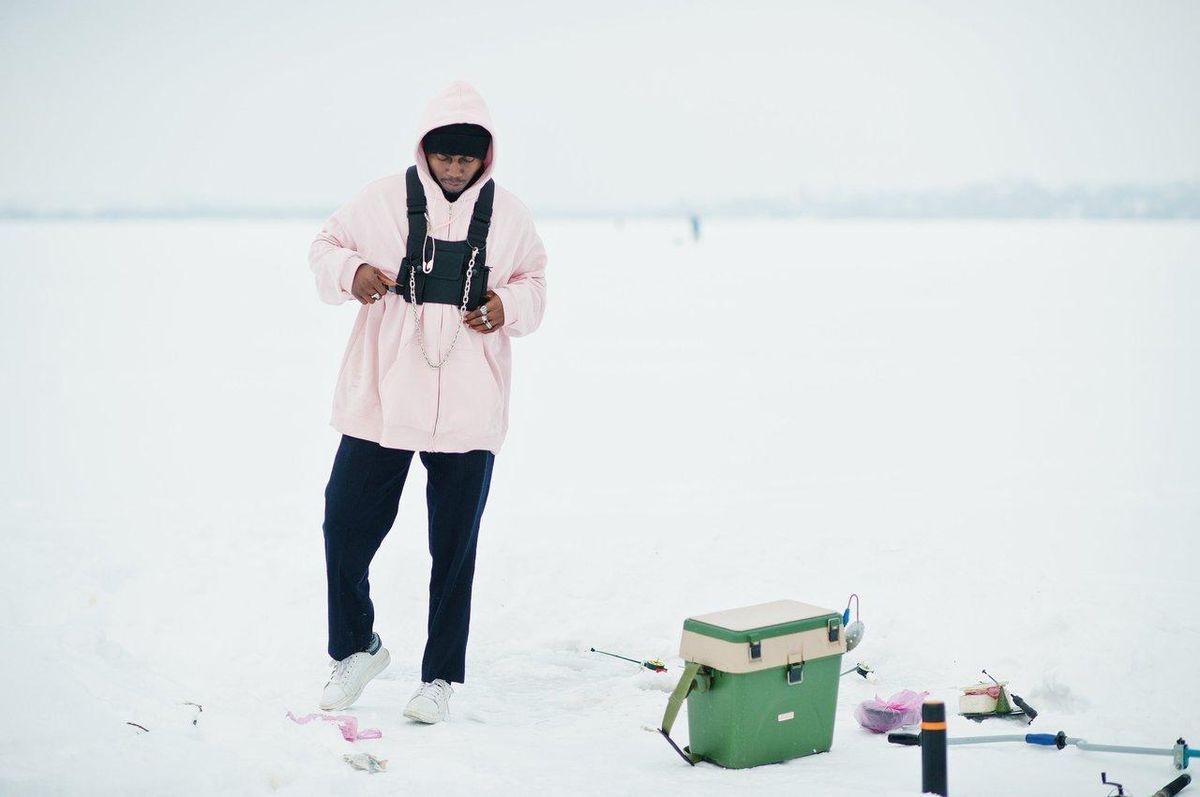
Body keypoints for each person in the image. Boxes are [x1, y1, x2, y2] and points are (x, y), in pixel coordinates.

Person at [307, 82, 547, 724]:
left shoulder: (511, 216)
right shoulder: (381, 200)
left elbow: (534, 283)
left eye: (467, 158)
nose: (454, 168)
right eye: (444, 155)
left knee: (454, 546)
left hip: (469, 405)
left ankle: (437, 677)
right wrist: (350, 274)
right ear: (425, 149)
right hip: (381, 397)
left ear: (485, 157)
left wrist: (509, 306)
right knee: (344, 528)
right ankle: (355, 648)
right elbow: (324, 246)